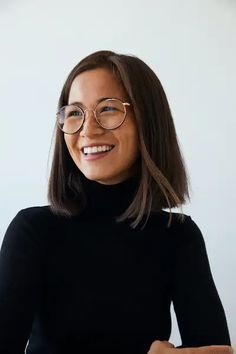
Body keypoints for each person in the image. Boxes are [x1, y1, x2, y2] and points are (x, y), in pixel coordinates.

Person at [0, 50, 232, 354]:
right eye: (74, 112)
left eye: (108, 109)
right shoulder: (32, 230)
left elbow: (216, 350)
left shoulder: (179, 235)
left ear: (148, 120)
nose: (87, 129)